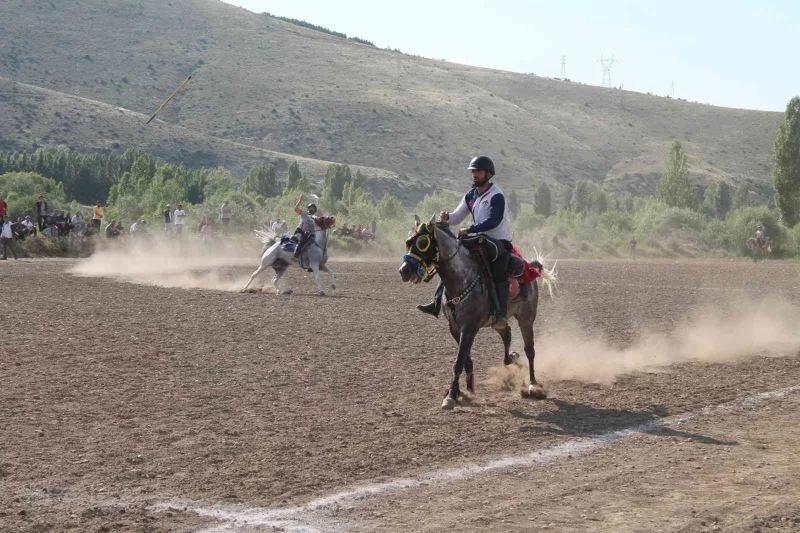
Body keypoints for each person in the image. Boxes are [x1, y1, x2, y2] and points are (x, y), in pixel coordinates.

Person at [417, 155, 513, 331]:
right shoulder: (471, 195)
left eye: (478, 171)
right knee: (450, 261)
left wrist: (471, 229)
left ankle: (500, 314)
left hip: (498, 241)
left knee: (499, 272)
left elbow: (494, 220)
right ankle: (436, 302)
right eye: (473, 171)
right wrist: (447, 217)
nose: (475, 174)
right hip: (478, 239)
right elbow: (457, 217)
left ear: (488, 174)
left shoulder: (496, 195)